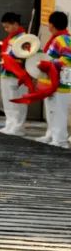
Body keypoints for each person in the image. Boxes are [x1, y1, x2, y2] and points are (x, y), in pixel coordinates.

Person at [40, 11, 71, 148]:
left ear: (51, 24)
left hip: (61, 82)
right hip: (54, 81)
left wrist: (49, 64)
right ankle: (52, 134)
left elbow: (68, 60)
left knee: (58, 111)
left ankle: (60, 140)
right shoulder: (57, 38)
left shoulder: (63, 39)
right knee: (52, 110)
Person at [0, 12, 29, 136]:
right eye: (4, 27)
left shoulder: (25, 38)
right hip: (6, 72)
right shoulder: (10, 38)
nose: (6, 30)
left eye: (7, 27)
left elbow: (28, 56)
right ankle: (10, 123)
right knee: (8, 100)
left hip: (17, 75)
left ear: (16, 24)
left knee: (17, 101)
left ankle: (18, 126)